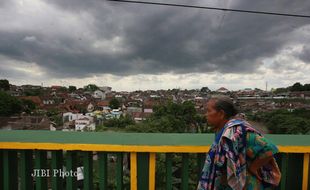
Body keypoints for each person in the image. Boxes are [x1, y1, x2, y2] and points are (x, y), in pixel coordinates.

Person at [197, 97, 281, 190]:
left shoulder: (237, 132)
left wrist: (253, 168)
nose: (206, 114)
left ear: (221, 114)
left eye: (209, 111)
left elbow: (270, 148)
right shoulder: (224, 131)